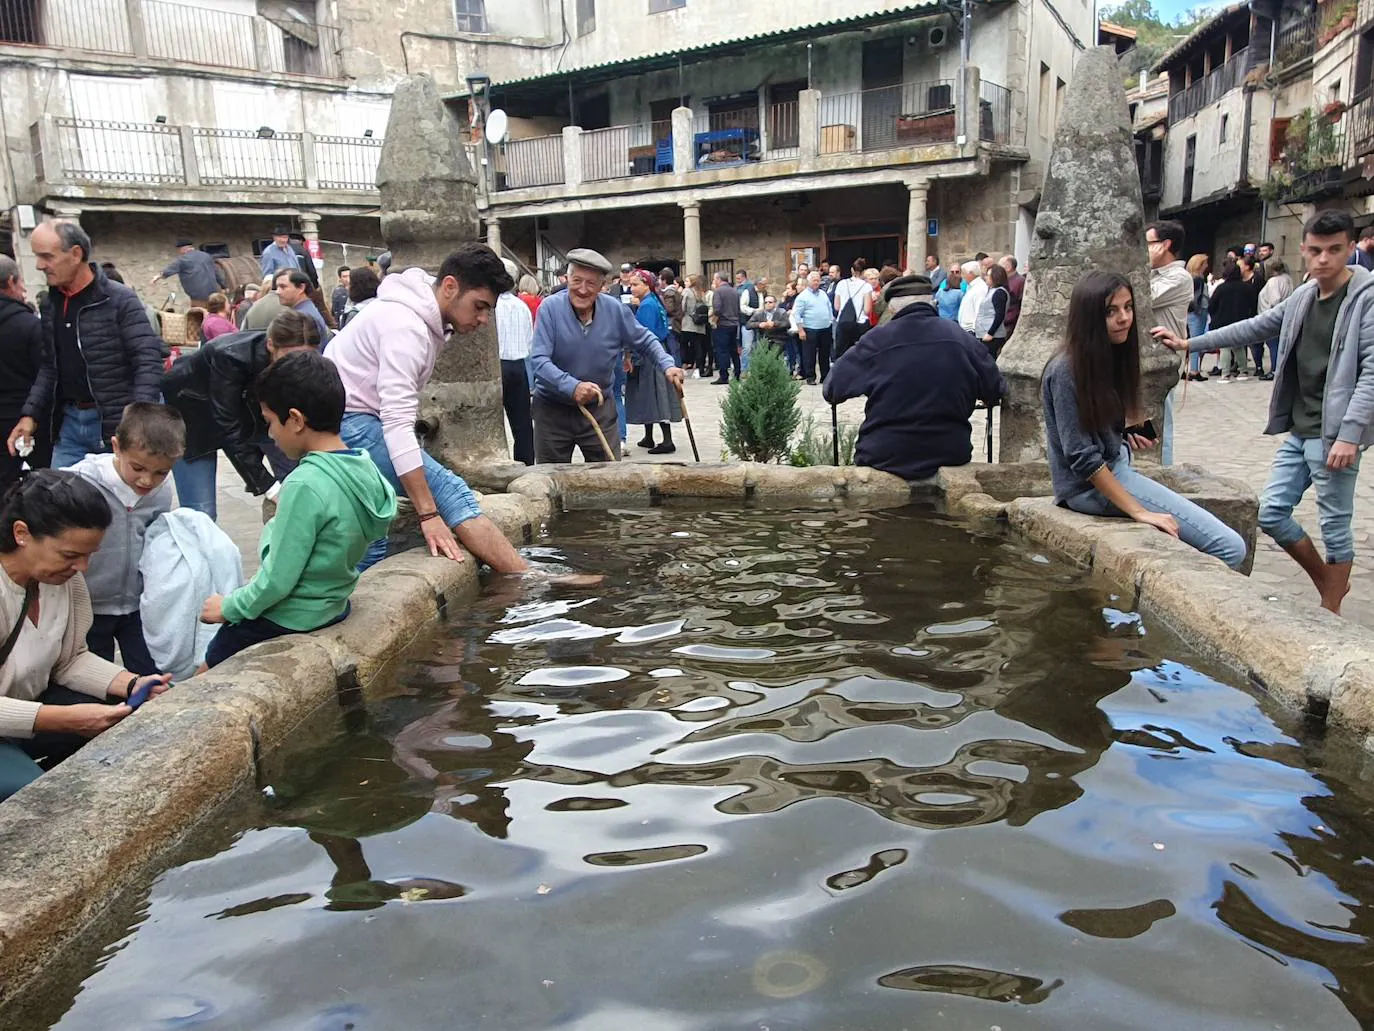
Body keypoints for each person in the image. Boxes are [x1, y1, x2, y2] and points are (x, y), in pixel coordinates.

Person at [1154, 209, 1374, 613]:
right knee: (1271, 513)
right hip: (1300, 427)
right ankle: (1328, 581)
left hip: (1335, 432)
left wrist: (1350, 434)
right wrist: (1190, 344)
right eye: (1316, 251)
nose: (1324, 259)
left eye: (1334, 250)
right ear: (1305, 251)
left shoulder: (1366, 298)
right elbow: (1256, 327)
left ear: (1349, 250)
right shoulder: (1305, 295)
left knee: (1335, 525)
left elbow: (1372, 373)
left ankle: (1331, 606)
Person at [329, 244, 529, 573]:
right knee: (450, 491)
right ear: (449, 286)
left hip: (346, 418)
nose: (482, 319)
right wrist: (428, 513)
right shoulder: (407, 328)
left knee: (372, 532)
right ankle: (529, 578)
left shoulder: (415, 312)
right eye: (479, 307)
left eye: (488, 311)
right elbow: (396, 426)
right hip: (351, 422)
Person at [198, 352, 396, 668]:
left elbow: (277, 581)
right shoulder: (365, 468)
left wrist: (230, 607)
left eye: (270, 422)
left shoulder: (304, 484)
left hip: (293, 615)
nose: (271, 435)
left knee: (212, 662)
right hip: (333, 605)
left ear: (296, 419)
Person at [1043, 270, 1246, 570]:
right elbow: (1080, 455)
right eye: (1110, 311)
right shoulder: (1066, 370)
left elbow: (1106, 414)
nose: (1124, 318)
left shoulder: (1109, 354)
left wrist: (1129, 431)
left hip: (1116, 466)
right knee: (1231, 547)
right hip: (1089, 487)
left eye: (1128, 307)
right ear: (1088, 318)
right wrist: (1139, 512)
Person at [0, 470, 171, 801]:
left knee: (135, 727)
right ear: (22, 533)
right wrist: (63, 720)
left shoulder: (66, 581)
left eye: (89, 554)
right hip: (17, 719)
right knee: (33, 795)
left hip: (30, 708)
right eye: (70, 555)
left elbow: (70, 659)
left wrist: (133, 684)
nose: (83, 568)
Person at [7, 221, 165, 470]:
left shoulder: (119, 300)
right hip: (70, 427)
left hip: (116, 426)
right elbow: (49, 368)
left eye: (47, 256)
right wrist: (30, 416)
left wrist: (138, 421)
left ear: (76, 254)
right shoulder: (51, 305)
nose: (39, 265)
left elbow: (147, 360)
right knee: (58, 502)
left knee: (118, 506)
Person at [824, 275, 1005, 480]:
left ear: (892, 308)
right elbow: (995, 388)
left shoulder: (876, 341)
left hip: (886, 454)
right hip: (949, 451)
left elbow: (833, 388)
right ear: (932, 302)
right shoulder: (962, 338)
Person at [529, 248, 683, 463]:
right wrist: (571, 386)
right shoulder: (550, 308)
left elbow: (645, 340)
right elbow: (538, 360)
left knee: (610, 478)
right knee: (550, 481)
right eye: (576, 281)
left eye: (590, 283)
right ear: (567, 280)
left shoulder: (614, 310)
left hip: (599, 408)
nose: (582, 290)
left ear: (602, 286)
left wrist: (667, 365)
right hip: (553, 411)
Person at [162, 310, 320, 519]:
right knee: (200, 513)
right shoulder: (230, 356)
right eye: (290, 356)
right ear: (271, 344)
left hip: (245, 412)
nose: (298, 364)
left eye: (305, 356)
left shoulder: (293, 360)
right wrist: (267, 486)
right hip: (188, 411)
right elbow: (228, 423)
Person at [70, 402, 183, 674]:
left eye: (160, 473)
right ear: (116, 447)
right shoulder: (79, 484)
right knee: (96, 680)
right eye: (138, 468)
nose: (147, 480)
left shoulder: (161, 493)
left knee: (150, 677)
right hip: (88, 607)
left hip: (137, 605)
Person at [1146, 220, 1194, 465]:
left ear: (1164, 245)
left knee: (1161, 422)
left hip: (1165, 359)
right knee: (1145, 420)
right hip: (1146, 357)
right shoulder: (1155, 275)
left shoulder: (1179, 277)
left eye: (1148, 244)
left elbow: (1144, 299)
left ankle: (1163, 470)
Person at [0, 257, 50, 490]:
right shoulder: (29, 325)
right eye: (21, 281)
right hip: (24, 421)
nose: (24, 288)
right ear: (11, 282)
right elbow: (45, 373)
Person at [625, 269, 681, 455]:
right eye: (631, 285)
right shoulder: (653, 301)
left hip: (651, 357)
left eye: (635, 285)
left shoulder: (648, 305)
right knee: (647, 396)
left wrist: (633, 357)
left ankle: (667, 440)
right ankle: (648, 436)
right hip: (658, 353)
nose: (631, 288)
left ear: (646, 285)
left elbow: (643, 335)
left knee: (657, 396)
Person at [495, 259, 535, 466]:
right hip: (519, 365)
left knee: (493, 420)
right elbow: (530, 340)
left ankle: (497, 459)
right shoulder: (522, 306)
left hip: (498, 365)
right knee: (522, 422)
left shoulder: (492, 305)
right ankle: (526, 462)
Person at [1208, 259, 1256, 380]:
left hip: (1223, 321)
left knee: (1225, 347)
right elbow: (1252, 304)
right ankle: (1243, 371)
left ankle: (1225, 373)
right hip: (1241, 320)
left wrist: (1215, 316)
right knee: (1239, 346)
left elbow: (1212, 305)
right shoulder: (1247, 287)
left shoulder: (1221, 288)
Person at [150, 240, 224, 306]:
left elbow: (169, 270)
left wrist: (156, 277)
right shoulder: (206, 256)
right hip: (214, 294)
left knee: (200, 316)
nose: (179, 252)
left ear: (183, 249)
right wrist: (224, 286)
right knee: (217, 313)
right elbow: (216, 272)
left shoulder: (183, 260)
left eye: (179, 250)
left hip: (199, 297)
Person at [792, 270, 835, 384]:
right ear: (808, 281)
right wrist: (801, 330)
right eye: (814, 280)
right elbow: (797, 314)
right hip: (810, 329)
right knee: (809, 355)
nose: (816, 282)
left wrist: (830, 320)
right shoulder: (803, 296)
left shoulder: (823, 294)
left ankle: (825, 376)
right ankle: (810, 377)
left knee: (824, 354)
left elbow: (829, 308)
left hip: (825, 328)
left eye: (818, 280)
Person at [1256, 257, 1294, 381]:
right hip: (1285, 314)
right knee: (1278, 344)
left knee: (1274, 344)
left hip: (1273, 316)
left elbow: (1275, 300)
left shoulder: (1273, 281)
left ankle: (1274, 370)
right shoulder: (1287, 279)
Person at [271, 269, 330, 343]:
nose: (278, 292)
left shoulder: (302, 317)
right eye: (277, 287)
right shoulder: (305, 311)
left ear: (301, 287)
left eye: (283, 287)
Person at [833, 258, 873, 360]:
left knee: (841, 355)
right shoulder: (866, 286)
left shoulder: (841, 284)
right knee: (859, 355)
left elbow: (836, 306)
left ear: (851, 270)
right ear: (864, 272)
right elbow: (867, 310)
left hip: (843, 322)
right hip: (860, 323)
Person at [709, 270, 741, 384]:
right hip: (734, 324)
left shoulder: (718, 292)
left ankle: (724, 376)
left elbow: (717, 309)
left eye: (714, 279)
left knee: (721, 350)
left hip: (722, 324)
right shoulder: (735, 291)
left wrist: (714, 322)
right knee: (733, 350)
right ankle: (737, 374)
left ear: (718, 279)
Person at [1184, 254, 1211, 381]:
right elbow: (1195, 298)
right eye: (1205, 263)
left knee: (1190, 340)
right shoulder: (1197, 279)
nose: (1207, 265)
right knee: (1196, 342)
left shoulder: (1190, 278)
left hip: (1192, 313)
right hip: (1197, 313)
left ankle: (1188, 369)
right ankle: (1194, 370)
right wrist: (1198, 309)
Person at [975, 263, 1011, 355]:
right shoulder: (991, 290)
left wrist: (990, 333)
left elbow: (1000, 314)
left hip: (992, 335)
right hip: (984, 333)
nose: (986, 277)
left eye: (988, 275)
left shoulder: (999, 293)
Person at [679, 273, 708, 377]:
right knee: (698, 346)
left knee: (683, 344)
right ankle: (699, 368)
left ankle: (684, 364)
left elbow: (682, 307)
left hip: (688, 322)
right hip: (700, 324)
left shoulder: (686, 291)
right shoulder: (701, 292)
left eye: (687, 281)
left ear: (692, 282)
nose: (685, 283)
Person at [736, 270, 759, 373]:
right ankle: (746, 368)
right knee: (748, 346)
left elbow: (742, 306)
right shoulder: (741, 288)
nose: (737, 281)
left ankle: (746, 368)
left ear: (744, 277)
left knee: (749, 346)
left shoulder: (747, 289)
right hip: (746, 321)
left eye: (739, 278)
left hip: (748, 321)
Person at [957, 260, 989, 335]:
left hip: (972, 330)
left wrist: (975, 331)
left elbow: (979, 310)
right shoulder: (971, 287)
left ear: (971, 273)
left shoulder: (980, 288)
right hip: (966, 329)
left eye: (964, 273)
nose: (962, 276)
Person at [999, 255, 1025, 336]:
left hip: (1010, 322)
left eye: (1000, 266)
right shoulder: (1002, 280)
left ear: (1008, 267)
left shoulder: (1020, 281)